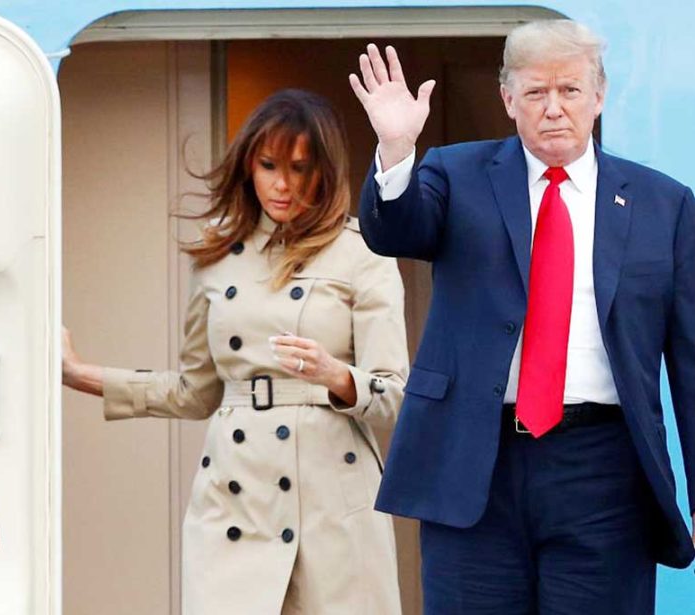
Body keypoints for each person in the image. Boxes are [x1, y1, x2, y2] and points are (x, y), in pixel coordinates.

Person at [350, 19, 695, 614]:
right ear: (508, 99)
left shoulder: (663, 204)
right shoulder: (456, 174)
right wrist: (397, 151)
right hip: (474, 467)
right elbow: (395, 229)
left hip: (605, 472)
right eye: (536, 93)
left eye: (570, 90)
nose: (554, 108)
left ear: (600, 95)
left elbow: (689, 362)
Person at [62, 89, 408, 614]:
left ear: (325, 171)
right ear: (248, 164)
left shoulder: (363, 253)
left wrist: (335, 374)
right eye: (268, 165)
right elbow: (195, 391)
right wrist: (81, 375)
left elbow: (394, 396)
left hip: (333, 501)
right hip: (236, 501)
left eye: (299, 167)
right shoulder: (217, 256)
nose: (282, 184)